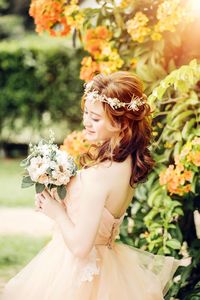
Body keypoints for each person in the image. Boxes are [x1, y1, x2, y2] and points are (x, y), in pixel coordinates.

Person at [1, 71, 188, 300]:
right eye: (86, 113)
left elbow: (81, 247)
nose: (86, 122)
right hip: (109, 264)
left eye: (95, 118)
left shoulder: (100, 176)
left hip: (79, 273)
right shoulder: (126, 164)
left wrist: (57, 212)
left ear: (121, 123)